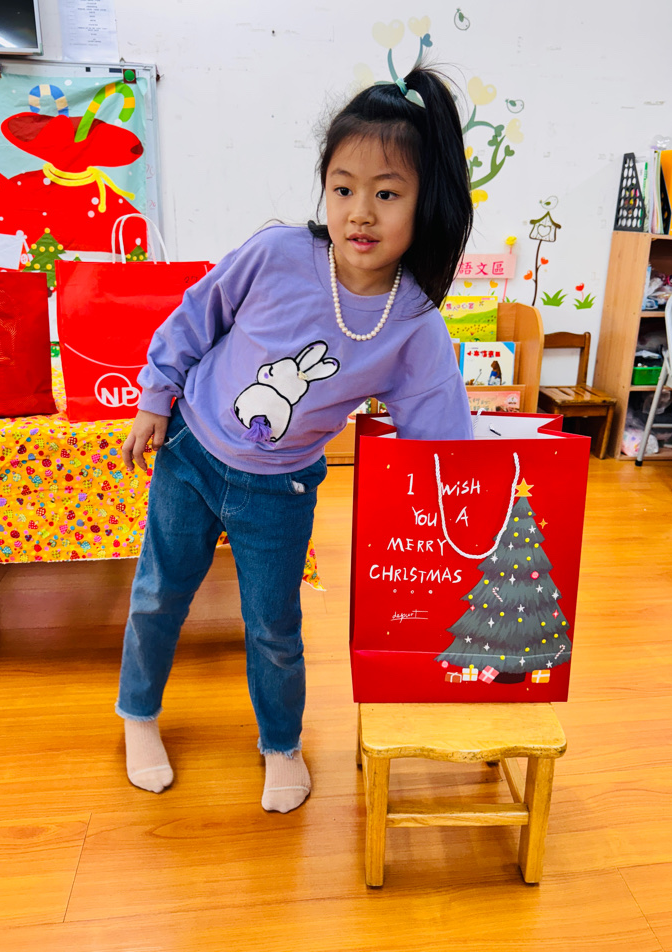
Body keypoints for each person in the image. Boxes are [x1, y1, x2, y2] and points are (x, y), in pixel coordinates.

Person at [116, 66, 475, 812]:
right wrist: (155, 395)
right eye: (343, 189)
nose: (360, 213)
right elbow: (195, 317)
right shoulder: (277, 253)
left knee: (274, 626)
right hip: (191, 453)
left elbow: (439, 438)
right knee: (158, 594)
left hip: (278, 490)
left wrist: (459, 518)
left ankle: (280, 742)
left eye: (387, 194)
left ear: (426, 202)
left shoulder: (414, 323)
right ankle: (138, 714)